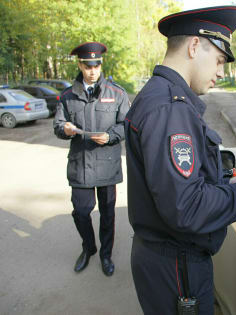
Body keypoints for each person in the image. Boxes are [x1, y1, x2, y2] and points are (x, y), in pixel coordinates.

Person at [124, 6, 236, 315]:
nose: (221, 72)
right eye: (218, 60)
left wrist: (228, 182)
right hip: (177, 268)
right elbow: (186, 208)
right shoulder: (170, 108)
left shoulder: (165, 98)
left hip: (170, 262)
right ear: (194, 46)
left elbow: (179, 184)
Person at [53, 42, 130, 276]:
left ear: (101, 64)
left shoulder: (117, 93)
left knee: (107, 214)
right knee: (81, 211)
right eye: (88, 66)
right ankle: (89, 248)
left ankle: (106, 255)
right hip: (81, 166)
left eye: (96, 65)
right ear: (80, 65)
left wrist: (111, 136)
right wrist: (64, 129)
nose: (93, 70)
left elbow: (127, 125)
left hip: (107, 165)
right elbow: (57, 125)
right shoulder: (67, 96)